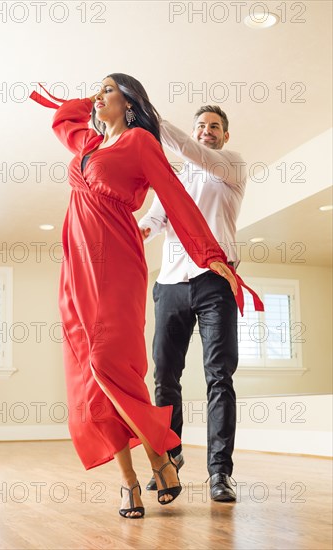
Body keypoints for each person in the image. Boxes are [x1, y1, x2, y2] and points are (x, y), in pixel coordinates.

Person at [30, 75, 261, 518]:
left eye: (109, 90)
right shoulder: (89, 145)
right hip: (84, 266)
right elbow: (63, 120)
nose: (205, 132)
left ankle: (204, 468)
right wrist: (92, 96)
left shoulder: (168, 149)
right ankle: (133, 482)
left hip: (146, 270)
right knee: (99, 375)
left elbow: (178, 202)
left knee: (125, 366)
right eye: (201, 125)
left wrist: (211, 254)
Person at [139, 105, 251, 502]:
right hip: (170, 284)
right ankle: (170, 458)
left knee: (219, 377)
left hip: (214, 281)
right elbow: (153, 222)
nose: (207, 131)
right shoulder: (173, 179)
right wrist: (132, 232)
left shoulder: (230, 166)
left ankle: (220, 472)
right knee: (165, 377)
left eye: (214, 127)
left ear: (225, 136)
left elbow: (193, 153)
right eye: (201, 126)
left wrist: (152, 119)